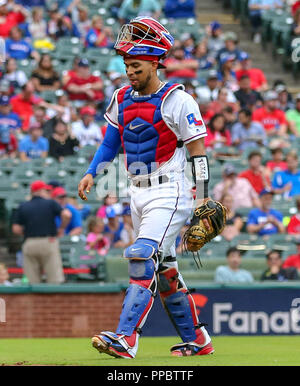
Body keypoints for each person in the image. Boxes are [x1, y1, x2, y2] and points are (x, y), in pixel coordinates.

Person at [78, 16, 214, 359]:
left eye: (136, 65)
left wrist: (204, 195)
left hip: (171, 189)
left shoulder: (179, 100)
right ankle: (198, 341)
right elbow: (111, 142)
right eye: (126, 64)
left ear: (154, 63)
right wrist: (92, 172)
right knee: (165, 269)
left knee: (141, 256)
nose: (130, 71)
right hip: (137, 190)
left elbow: (197, 150)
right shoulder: (121, 97)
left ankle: (125, 338)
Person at [12, 180, 70, 284]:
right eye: (46, 190)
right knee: (54, 281)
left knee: (32, 282)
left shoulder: (23, 205)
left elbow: (16, 229)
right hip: (48, 241)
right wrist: (61, 228)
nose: (48, 193)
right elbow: (67, 215)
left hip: (29, 243)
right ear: (40, 191)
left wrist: (28, 233)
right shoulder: (50, 203)